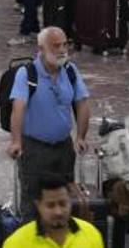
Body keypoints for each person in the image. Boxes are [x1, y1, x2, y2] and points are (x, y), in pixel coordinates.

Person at [7, 27, 92, 219]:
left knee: (64, 203)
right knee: (33, 205)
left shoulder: (70, 71)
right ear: (41, 49)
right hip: (34, 151)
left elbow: (82, 103)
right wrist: (16, 141)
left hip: (64, 149)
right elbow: (18, 109)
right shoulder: (26, 74)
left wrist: (80, 136)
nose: (62, 50)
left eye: (65, 45)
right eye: (55, 46)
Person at [3, 175, 104, 248]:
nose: (58, 212)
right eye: (50, 205)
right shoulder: (16, 243)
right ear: (38, 205)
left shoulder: (91, 235)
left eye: (63, 204)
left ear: (70, 202)